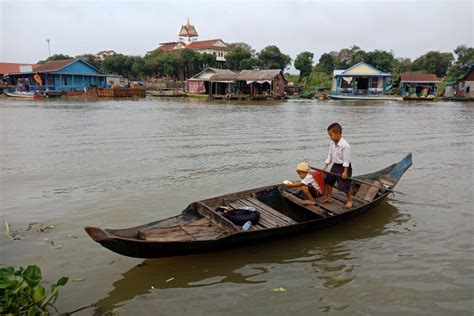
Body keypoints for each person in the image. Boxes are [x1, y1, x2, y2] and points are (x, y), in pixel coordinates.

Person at [322, 122, 353, 208]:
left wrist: (345, 172)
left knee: (345, 184)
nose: (330, 137)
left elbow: (346, 160)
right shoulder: (332, 143)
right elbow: (330, 155)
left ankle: (349, 200)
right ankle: (329, 197)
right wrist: (326, 165)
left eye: (331, 135)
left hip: (344, 167)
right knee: (328, 180)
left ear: (338, 133)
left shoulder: (345, 145)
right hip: (335, 165)